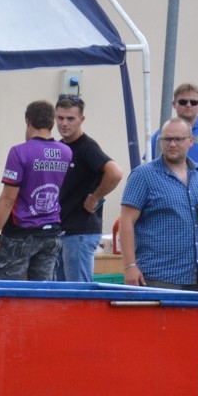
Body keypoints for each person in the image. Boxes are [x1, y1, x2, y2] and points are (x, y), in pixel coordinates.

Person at [116, 116, 198, 396]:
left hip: (196, 273)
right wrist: (130, 266)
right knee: (155, 346)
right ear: (160, 142)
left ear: (191, 141)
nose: (172, 144)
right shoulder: (144, 176)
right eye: (167, 139)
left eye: (178, 139)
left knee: (193, 347)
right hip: (159, 274)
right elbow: (126, 222)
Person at [0, 100, 71, 281]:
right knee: (42, 292)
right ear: (52, 122)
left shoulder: (19, 152)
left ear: (28, 121)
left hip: (21, 231)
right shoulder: (66, 152)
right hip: (51, 232)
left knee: (4, 290)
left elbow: (8, 199)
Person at [53, 94, 124, 282]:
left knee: (78, 291)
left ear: (81, 120)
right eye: (60, 118)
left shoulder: (87, 147)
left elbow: (115, 173)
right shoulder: (58, 147)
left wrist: (95, 197)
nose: (64, 124)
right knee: (58, 293)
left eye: (70, 119)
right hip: (60, 230)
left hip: (80, 231)